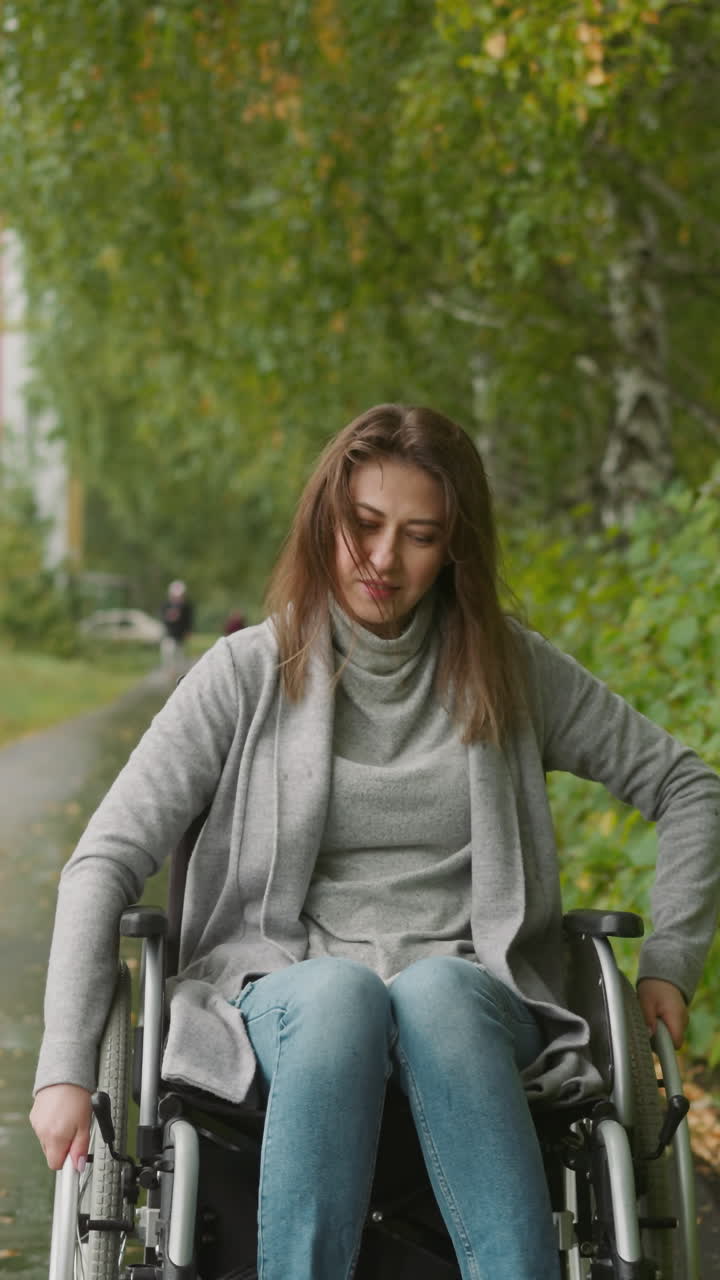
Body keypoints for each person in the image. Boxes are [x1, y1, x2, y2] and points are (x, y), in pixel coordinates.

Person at [31, 404, 720, 1280]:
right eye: (363, 525)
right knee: (339, 998)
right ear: (326, 520)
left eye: (420, 535)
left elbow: (690, 785)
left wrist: (671, 957)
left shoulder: (512, 671)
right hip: (284, 998)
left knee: (435, 992)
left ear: (454, 550)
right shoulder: (246, 674)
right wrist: (63, 1068)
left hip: (472, 993)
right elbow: (104, 858)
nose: (384, 560)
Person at [159, 578, 194, 674]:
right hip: (169, 636)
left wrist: (189, 631)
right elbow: (163, 619)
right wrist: (170, 617)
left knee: (180, 659)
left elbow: (189, 620)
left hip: (180, 637)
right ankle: (168, 674)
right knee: (168, 657)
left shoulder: (186, 606)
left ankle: (179, 676)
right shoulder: (166, 605)